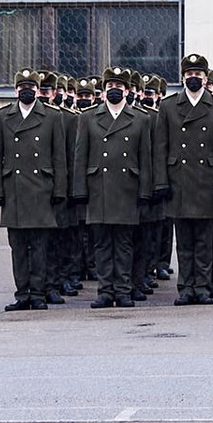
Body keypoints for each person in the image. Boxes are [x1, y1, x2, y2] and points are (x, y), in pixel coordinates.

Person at [74, 68, 166, 308]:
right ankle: (105, 291)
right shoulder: (88, 117)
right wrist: (79, 190)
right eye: (110, 86)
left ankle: (123, 290)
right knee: (102, 244)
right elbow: (80, 156)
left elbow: (145, 157)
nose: (114, 90)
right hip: (98, 188)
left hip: (128, 188)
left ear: (127, 90)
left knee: (125, 244)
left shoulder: (140, 118)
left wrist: (146, 191)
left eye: (119, 86)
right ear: (103, 91)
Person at [158, 53, 213, 306]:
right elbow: (161, 146)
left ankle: (202, 286)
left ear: (205, 78)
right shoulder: (169, 106)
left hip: (207, 181)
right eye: (189, 74)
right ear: (183, 77)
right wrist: (161, 182)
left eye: (198, 75)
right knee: (184, 241)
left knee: (205, 240)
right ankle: (185, 287)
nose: (193, 78)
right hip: (179, 180)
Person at [0, 70, 64, 310]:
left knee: (40, 248)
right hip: (14, 190)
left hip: (41, 189)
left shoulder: (52, 116)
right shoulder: (3, 116)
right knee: (18, 247)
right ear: (15, 91)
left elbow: (59, 157)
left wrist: (59, 190)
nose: (26, 91)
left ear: (38, 90)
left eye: (31, 87)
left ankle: (39, 294)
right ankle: (22, 294)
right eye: (22, 87)